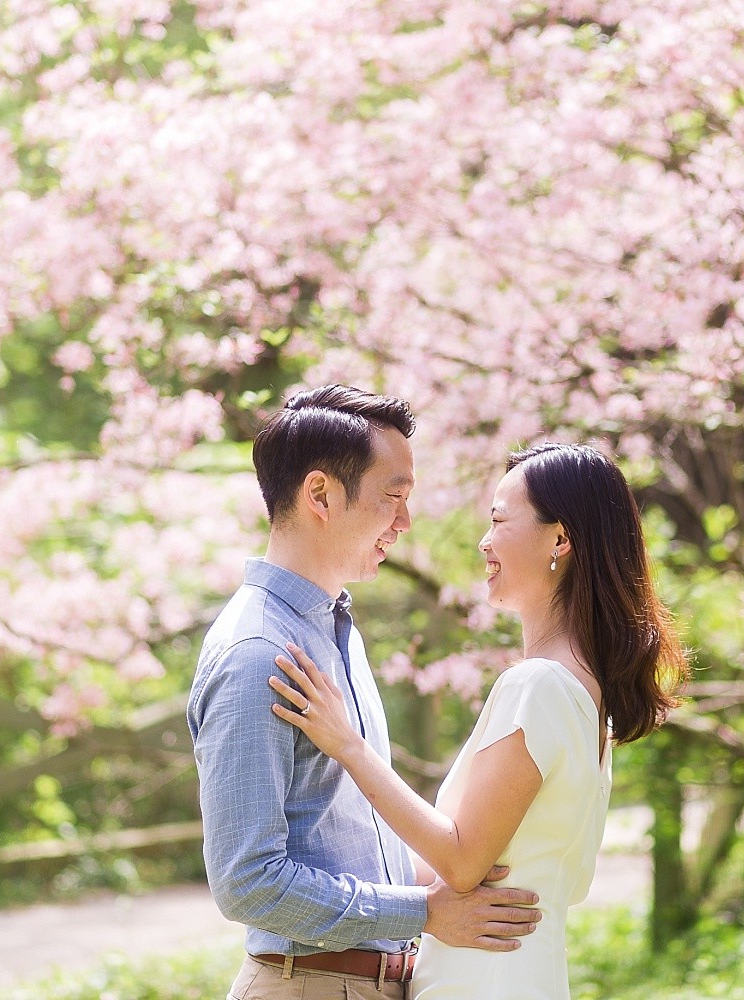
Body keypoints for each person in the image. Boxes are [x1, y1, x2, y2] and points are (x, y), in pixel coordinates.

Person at [270, 442, 687, 999]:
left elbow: (463, 863)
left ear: (560, 539)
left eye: (498, 520)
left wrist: (349, 747)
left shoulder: (537, 686)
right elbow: (482, 872)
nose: (484, 542)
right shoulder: (588, 700)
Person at [188, 385, 546, 1000]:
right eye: (393, 497)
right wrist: (424, 912)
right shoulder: (258, 653)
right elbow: (247, 881)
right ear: (321, 494)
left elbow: (345, 840)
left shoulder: (333, 630)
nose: (405, 522)